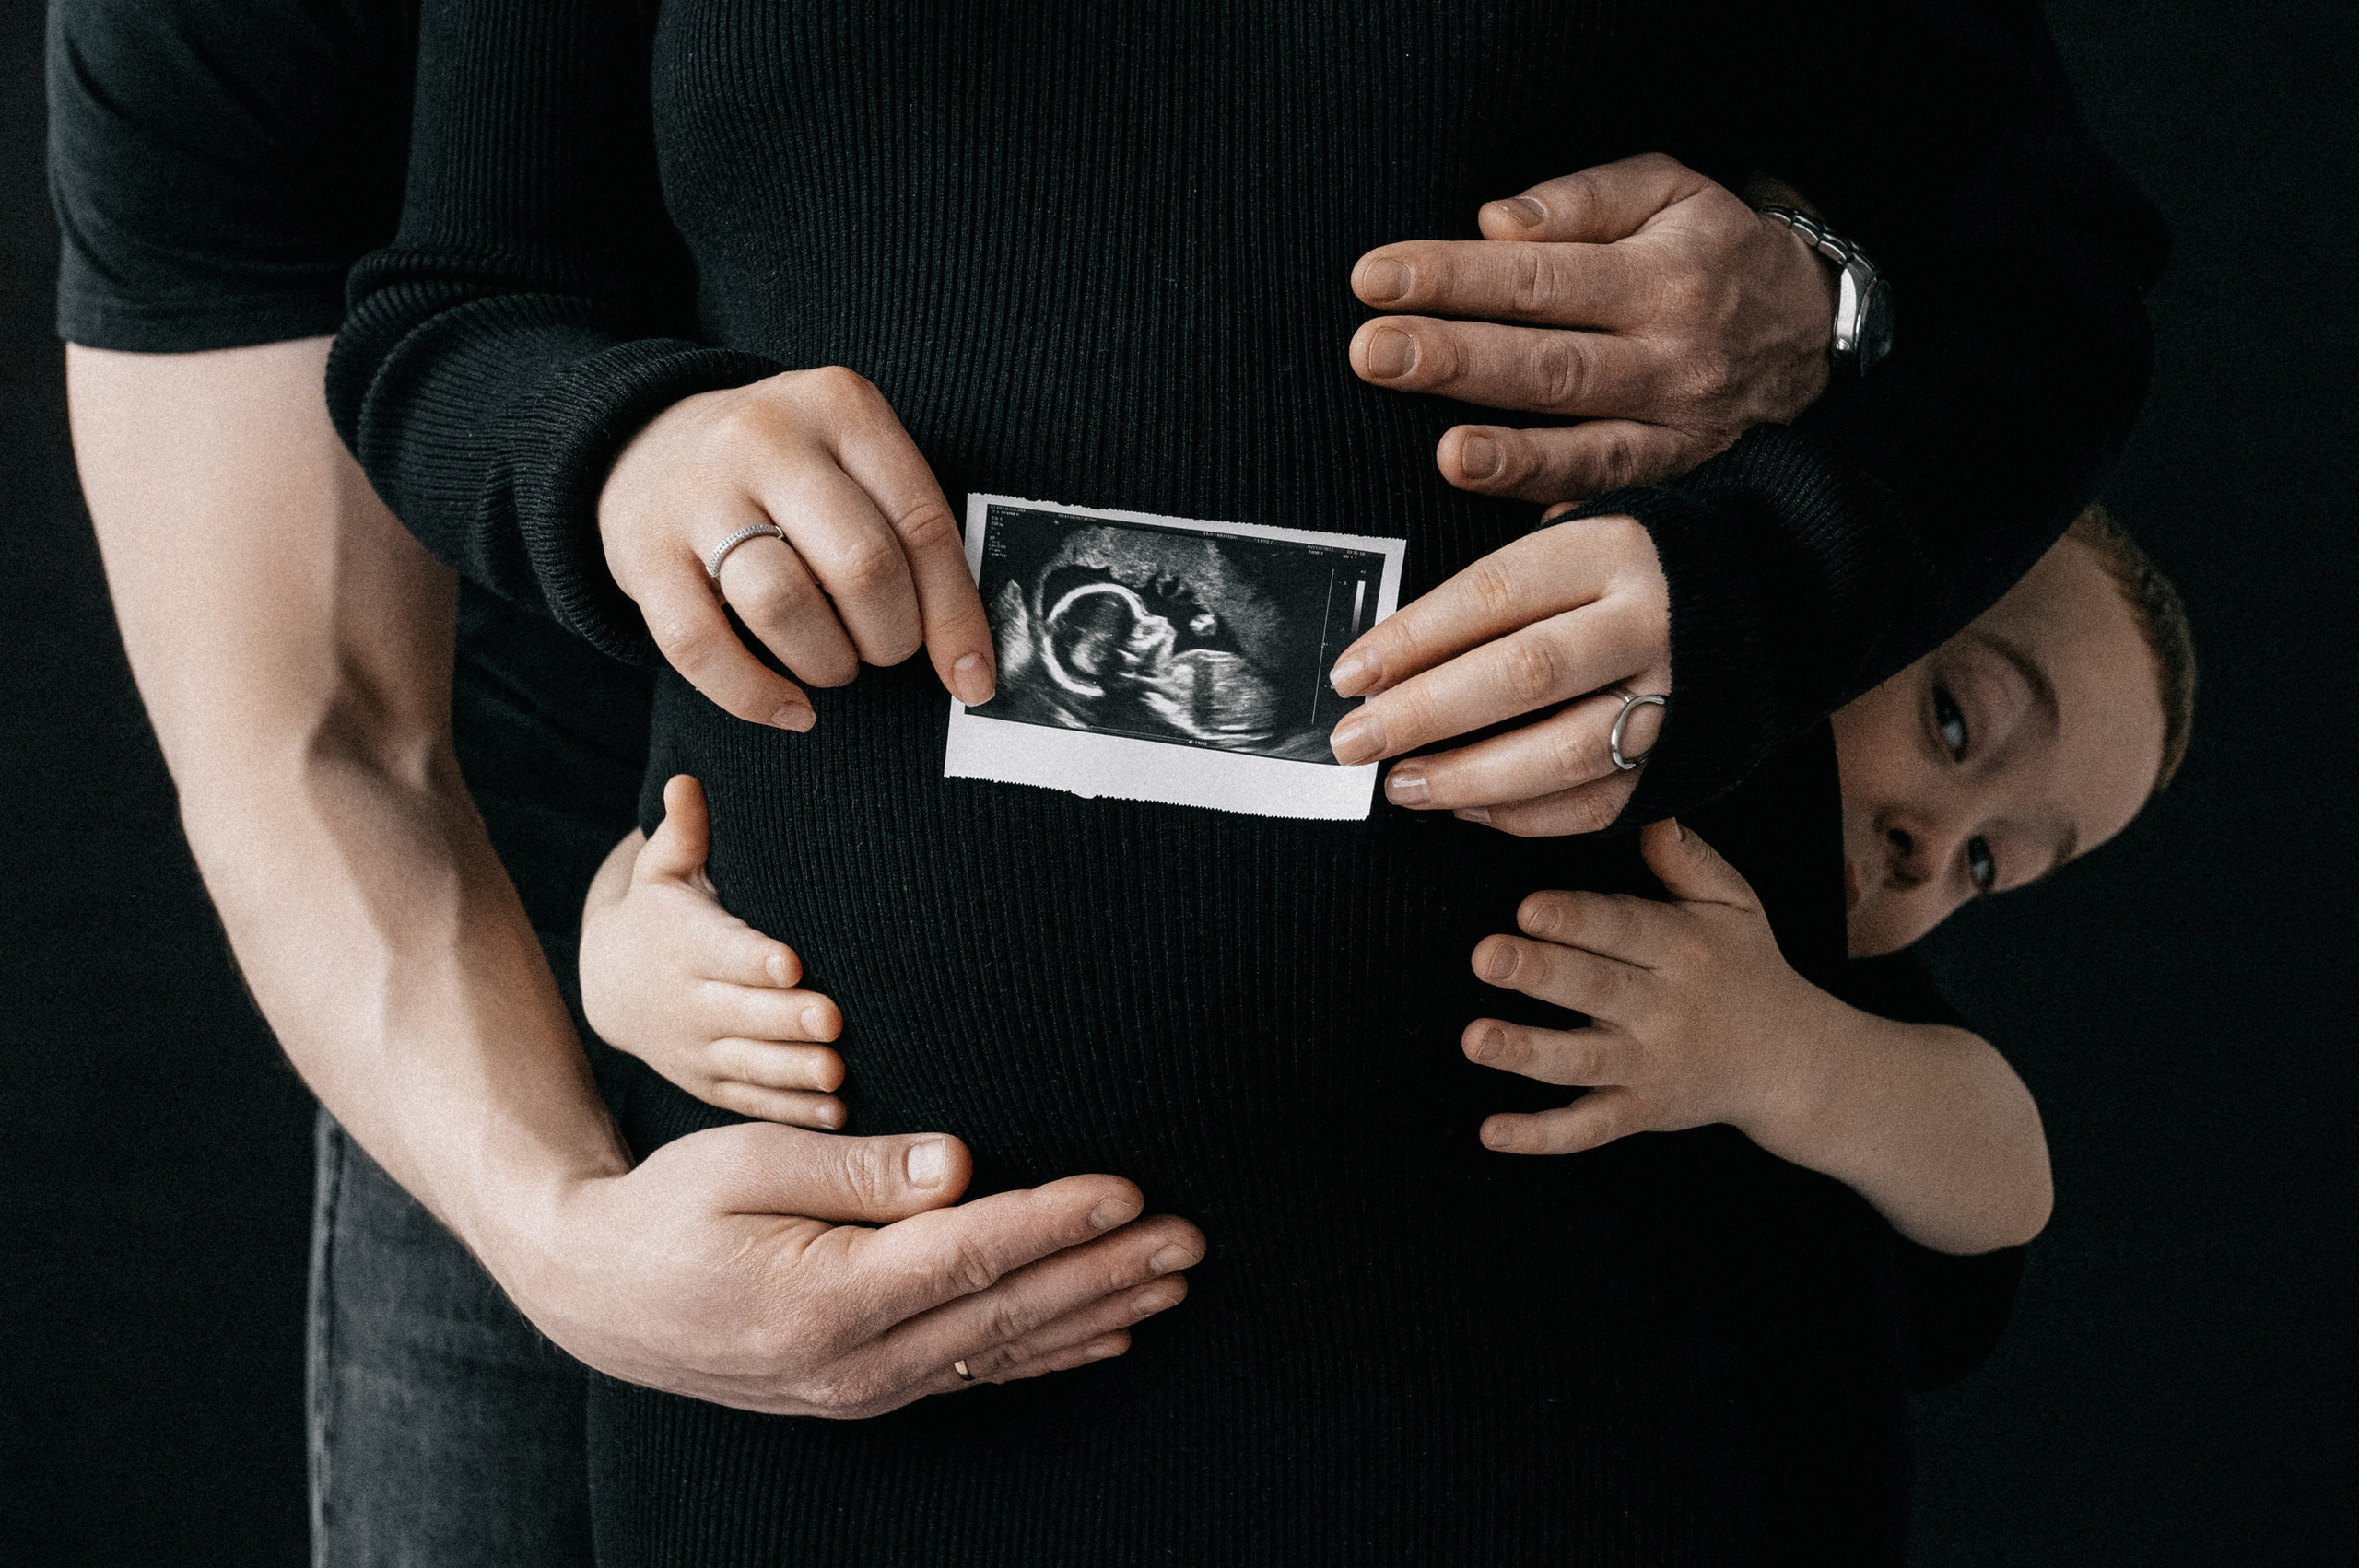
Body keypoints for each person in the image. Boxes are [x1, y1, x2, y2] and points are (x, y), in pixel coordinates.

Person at [42, 0, 1925, 1561]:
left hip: (1500, 1216)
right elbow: (312, 738)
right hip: (586, 937)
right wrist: (550, 1224)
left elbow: (1990, 274)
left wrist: (1816, 322)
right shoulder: (227, 31)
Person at [582, 509, 2194, 1258]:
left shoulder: (1765, 974)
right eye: (1958, 720)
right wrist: (621, 961)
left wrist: (1783, 1054)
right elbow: (682, 837)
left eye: (1996, 863)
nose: (1933, 848)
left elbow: (2006, 1177)